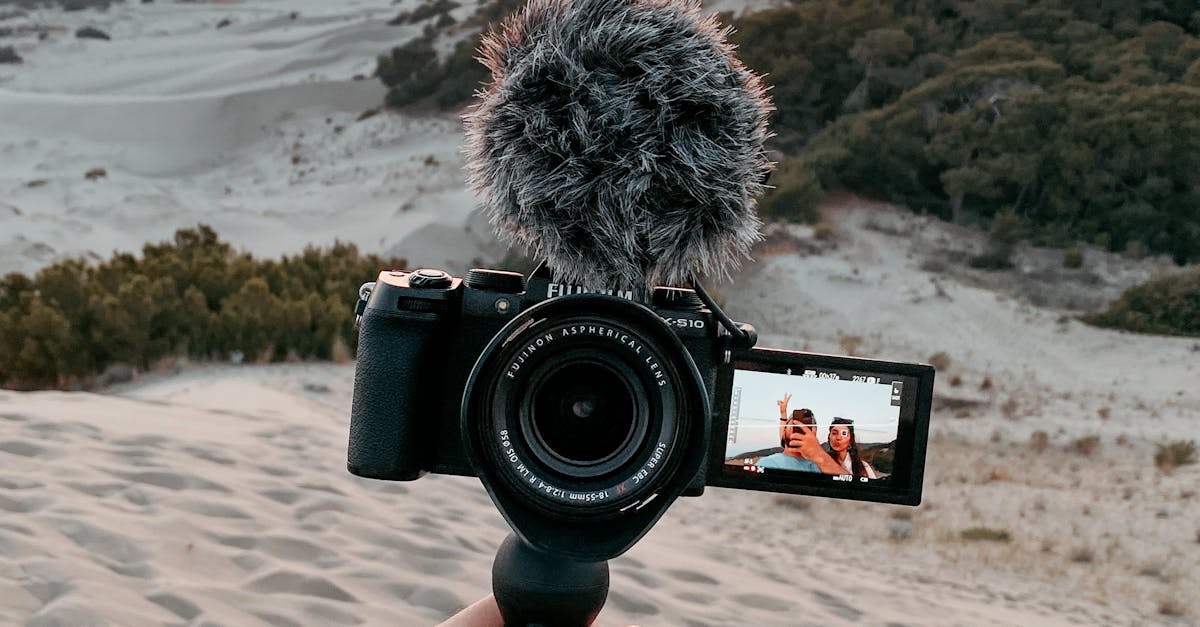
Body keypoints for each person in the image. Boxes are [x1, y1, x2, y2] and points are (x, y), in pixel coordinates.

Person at [755, 394, 846, 475]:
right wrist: (783, 415)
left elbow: (850, 486)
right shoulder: (768, 464)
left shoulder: (824, 467)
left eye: (809, 426)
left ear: (815, 434)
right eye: (795, 424)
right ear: (784, 430)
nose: (802, 428)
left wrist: (819, 456)